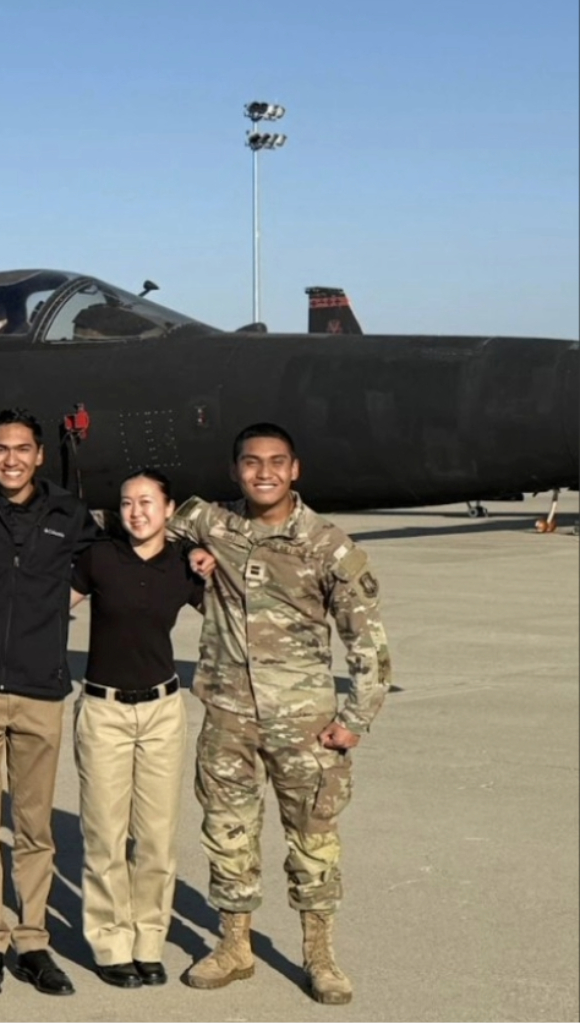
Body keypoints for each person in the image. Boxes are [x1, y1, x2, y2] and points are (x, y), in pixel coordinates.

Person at [168, 423, 392, 1006]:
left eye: (276, 462)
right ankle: (235, 946)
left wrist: (355, 719)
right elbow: (141, 520)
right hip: (229, 717)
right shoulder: (212, 523)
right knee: (227, 833)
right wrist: (185, 556)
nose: (263, 472)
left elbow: (368, 643)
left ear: (295, 470)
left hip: (306, 726)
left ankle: (320, 955)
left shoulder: (327, 545)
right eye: (250, 462)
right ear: (234, 470)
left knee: (314, 839)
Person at [0, 407, 97, 998]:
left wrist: (60, 605)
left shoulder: (68, 514)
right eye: (0, 449)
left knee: (34, 827)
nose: (11, 459)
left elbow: (105, 563)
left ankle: (32, 942)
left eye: (22, 449)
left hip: (40, 691)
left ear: (39, 455)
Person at [68, 468, 205, 991]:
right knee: (104, 835)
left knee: (155, 837)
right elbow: (51, 607)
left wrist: (214, 560)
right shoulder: (99, 557)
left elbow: (230, 613)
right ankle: (110, 943)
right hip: (103, 711)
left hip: (162, 713)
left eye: (147, 502)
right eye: (127, 503)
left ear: (170, 510)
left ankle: (149, 941)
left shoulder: (184, 566)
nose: (136, 512)